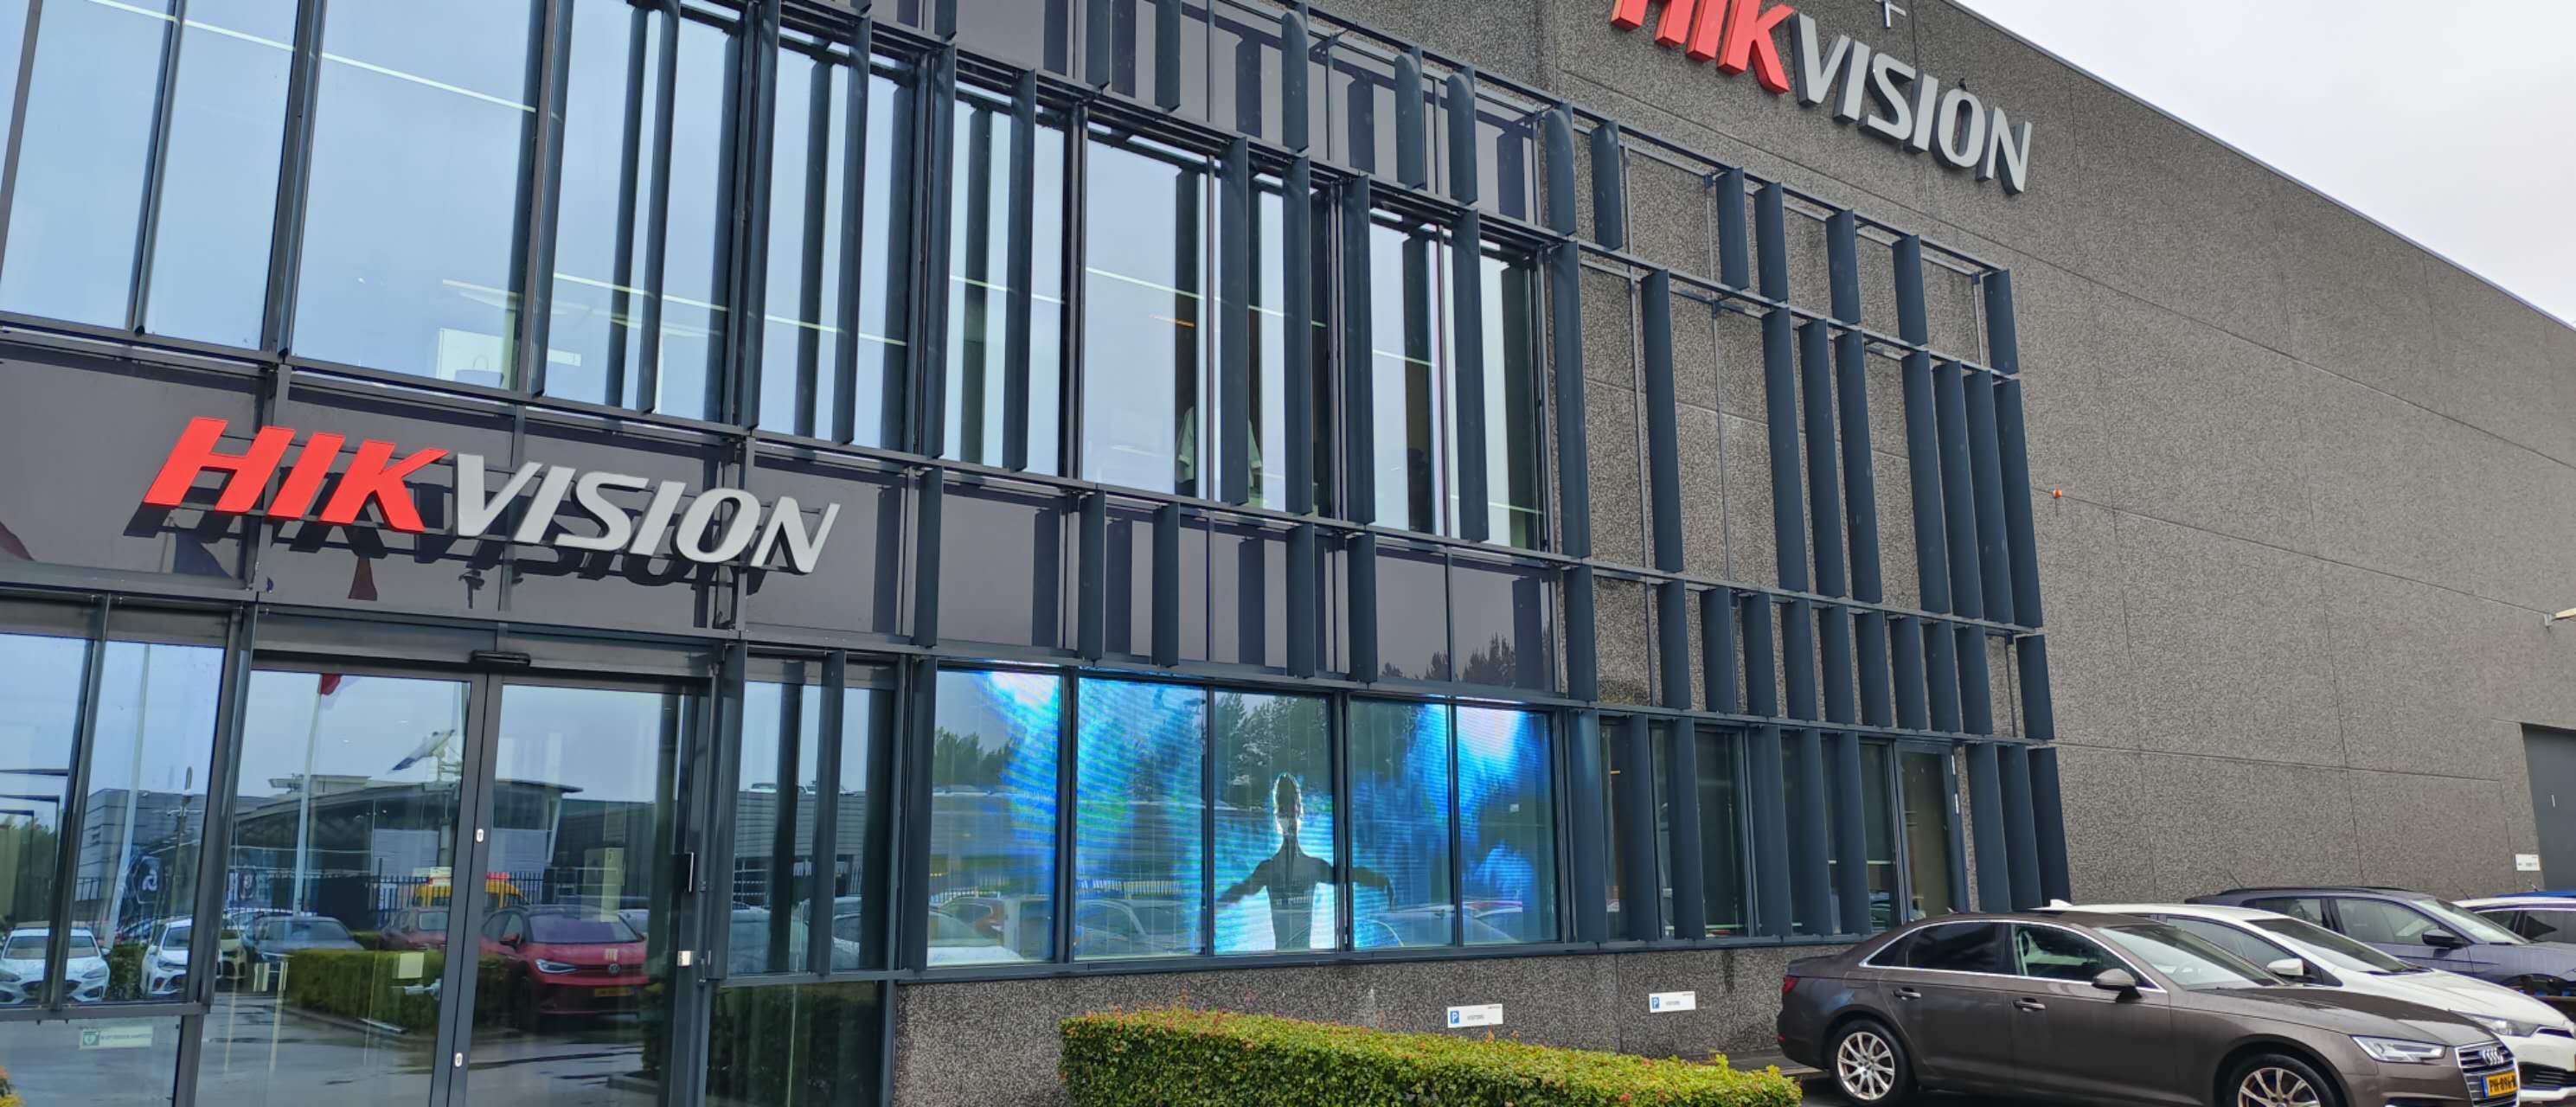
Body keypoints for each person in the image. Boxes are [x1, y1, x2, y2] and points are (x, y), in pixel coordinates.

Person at [1217, 775, 1386, 950]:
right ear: (1278, 815)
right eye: (1284, 809)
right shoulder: (1273, 868)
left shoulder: (1308, 867)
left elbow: (1349, 875)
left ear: (1298, 811)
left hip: (1298, 955)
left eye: (1293, 807)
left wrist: (1379, 879)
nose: (1290, 816)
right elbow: (1239, 891)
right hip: (1291, 956)